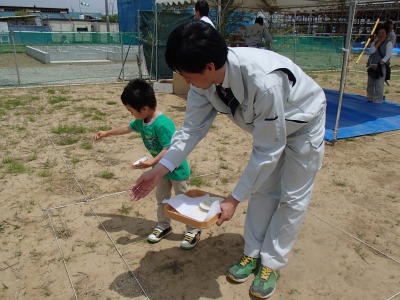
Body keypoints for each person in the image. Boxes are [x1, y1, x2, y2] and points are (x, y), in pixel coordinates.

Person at [130, 21, 326, 299]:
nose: (186, 81)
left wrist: (232, 200)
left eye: (186, 75)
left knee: (292, 197)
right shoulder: (204, 81)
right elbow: (191, 130)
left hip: (303, 122)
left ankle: (271, 262)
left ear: (208, 67)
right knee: (263, 190)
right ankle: (252, 252)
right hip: (268, 129)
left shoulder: (263, 83)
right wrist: (160, 170)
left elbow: (268, 150)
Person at [95, 79, 201, 250]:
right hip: (160, 172)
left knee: (183, 201)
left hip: (177, 171)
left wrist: (152, 161)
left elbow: (170, 148)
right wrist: (107, 133)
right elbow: (127, 128)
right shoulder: (142, 120)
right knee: (162, 199)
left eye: (131, 111)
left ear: (144, 108)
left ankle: (193, 230)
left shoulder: (163, 124)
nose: (131, 115)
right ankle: (164, 225)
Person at [366, 25, 392, 103]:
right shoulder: (374, 42)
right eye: (379, 33)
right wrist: (378, 42)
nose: (381, 34)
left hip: (381, 66)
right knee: (370, 84)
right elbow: (371, 51)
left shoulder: (388, 43)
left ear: (386, 34)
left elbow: (388, 55)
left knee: (379, 84)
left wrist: (380, 63)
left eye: (383, 33)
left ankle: (378, 100)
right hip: (372, 65)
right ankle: (370, 98)